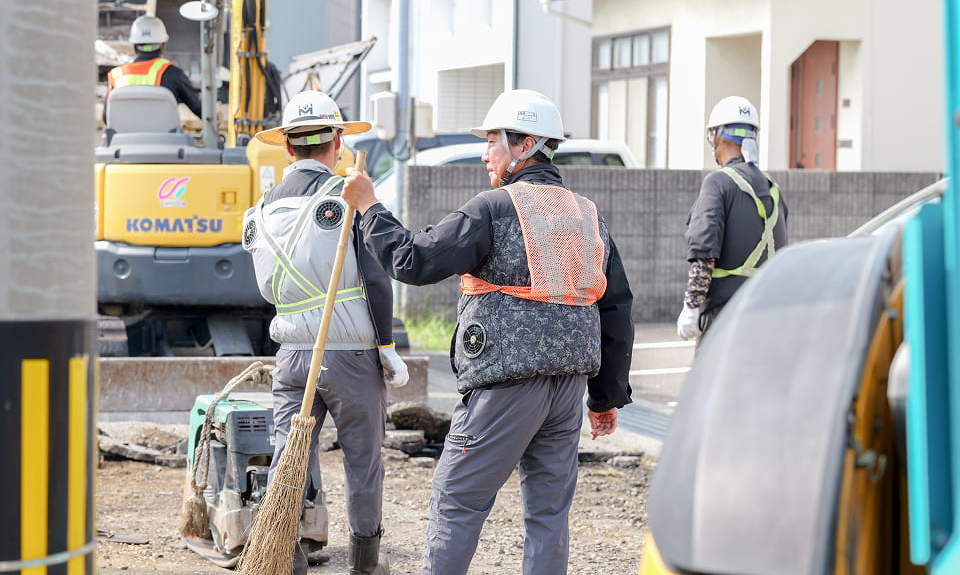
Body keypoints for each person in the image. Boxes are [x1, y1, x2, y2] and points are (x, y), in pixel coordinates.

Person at [341, 88, 634, 575]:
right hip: (566, 391)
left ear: (524, 144)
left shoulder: (494, 208)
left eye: (493, 139)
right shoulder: (588, 214)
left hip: (505, 386)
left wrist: (370, 207)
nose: (484, 152)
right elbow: (616, 308)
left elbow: (413, 260)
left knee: (458, 500)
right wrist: (603, 399)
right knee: (548, 513)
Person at [241, 90, 408, 575]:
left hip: (292, 356)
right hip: (352, 353)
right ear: (337, 142)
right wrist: (387, 346)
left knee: (290, 458)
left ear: (288, 149)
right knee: (362, 462)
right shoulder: (347, 195)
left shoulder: (261, 210)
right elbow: (376, 278)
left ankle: (284, 553)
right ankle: (365, 563)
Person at [677, 95, 788, 342]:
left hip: (725, 318)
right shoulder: (773, 189)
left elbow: (705, 251)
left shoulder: (717, 183)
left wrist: (691, 306)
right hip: (767, 315)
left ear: (717, 136)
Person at [105, 15, 202, 119]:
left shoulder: (116, 76)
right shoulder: (174, 74)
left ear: (134, 46)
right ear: (163, 45)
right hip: (162, 135)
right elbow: (199, 109)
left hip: (123, 135)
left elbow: (106, 117)